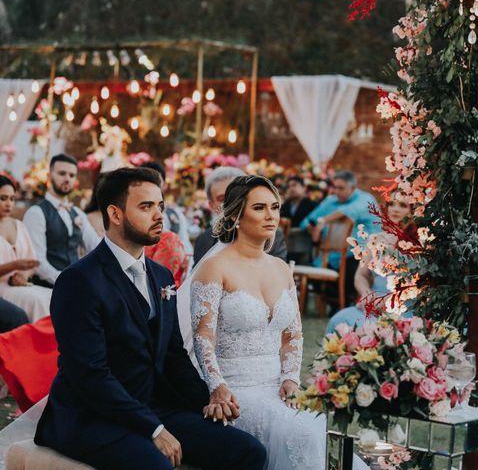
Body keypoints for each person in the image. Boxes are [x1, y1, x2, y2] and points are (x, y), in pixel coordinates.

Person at [35, 167, 266, 470]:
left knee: (248, 451)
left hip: (154, 405)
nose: (159, 215)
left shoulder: (161, 276)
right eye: (146, 207)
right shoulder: (78, 281)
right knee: (155, 465)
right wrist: (153, 429)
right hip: (91, 415)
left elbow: (173, 356)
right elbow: (90, 375)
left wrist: (207, 398)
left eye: (160, 206)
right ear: (115, 215)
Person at [181, 175, 367, 470]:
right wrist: (217, 385)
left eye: (275, 206)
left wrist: (291, 378)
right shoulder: (214, 267)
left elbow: (293, 334)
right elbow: (204, 334)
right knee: (301, 432)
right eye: (259, 208)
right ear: (235, 215)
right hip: (236, 389)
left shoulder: (281, 268)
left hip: (278, 387)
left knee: (322, 428)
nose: (271, 216)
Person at [327, 193, 413, 334]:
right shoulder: (375, 239)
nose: (395, 209)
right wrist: (367, 295)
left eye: (403, 205)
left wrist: (386, 303)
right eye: (391, 204)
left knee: (381, 329)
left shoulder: (418, 243)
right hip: (373, 302)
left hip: (403, 306)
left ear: (412, 210)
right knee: (339, 320)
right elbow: (360, 275)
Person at [300, 170, 378, 305]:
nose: (336, 191)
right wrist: (313, 230)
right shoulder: (331, 201)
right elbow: (306, 221)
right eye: (334, 187)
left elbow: (350, 211)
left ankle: (345, 302)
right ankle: (334, 301)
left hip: (363, 253)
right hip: (329, 254)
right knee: (313, 267)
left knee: (352, 268)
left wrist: (324, 220)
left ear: (352, 188)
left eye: (341, 188)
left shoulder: (365, 199)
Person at [23, 154, 101, 287]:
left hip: (77, 283)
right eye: (62, 173)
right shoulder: (36, 213)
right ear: (49, 177)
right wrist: (65, 280)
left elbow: (96, 246)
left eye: (71, 175)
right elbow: (37, 261)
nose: (67, 179)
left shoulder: (78, 213)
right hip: (47, 286)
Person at [192, 166, 287, 266]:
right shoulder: (203, 240)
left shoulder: (270, 234)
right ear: (211, 205)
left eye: (236, 197)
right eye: (222, 199)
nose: (230, 204)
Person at [0, 175, 52, 322]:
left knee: (52, 296)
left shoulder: (19, 226)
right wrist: (14, 266)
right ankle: (37, 344)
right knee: (37, 301)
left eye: (12, 199)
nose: (9, 204)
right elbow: (19, 264)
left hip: (21, 284)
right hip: (2, 288)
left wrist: (24, 275)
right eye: (3, 198)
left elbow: (32, 262)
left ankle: (57, 344)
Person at [139, 161, 194, 258]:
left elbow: (187, 250)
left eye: (156, 184)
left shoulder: (175, 215)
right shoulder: (133, 215)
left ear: (164, 186)